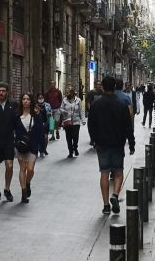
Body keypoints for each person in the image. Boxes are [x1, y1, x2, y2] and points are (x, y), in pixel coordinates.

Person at [88, 76, 135, 215]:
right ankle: (115, 195)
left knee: (104, 173)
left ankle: (106, 205)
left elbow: (91, 125)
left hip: (102, 144)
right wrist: (131, 144)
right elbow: (128, 127)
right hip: (117, 143)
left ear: (103, 86)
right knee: (118, 173)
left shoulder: (96, 104)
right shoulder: (121, 105)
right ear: (114, 87)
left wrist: (95, 140)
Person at [14, 93, 46, 203]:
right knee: (22, 169)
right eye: (23, 99)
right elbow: (14, 130)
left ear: (31, 101)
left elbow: (41, 130)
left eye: (28, 99)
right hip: (21, 146)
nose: (25, 101)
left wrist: (42, 146)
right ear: (21, 101)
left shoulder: (36, 115)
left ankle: (27, 183)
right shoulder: (17, 115)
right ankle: (23, 193)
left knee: (30, 169)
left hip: (32, 145)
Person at [61, 88, 85, 158]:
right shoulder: (64, 100)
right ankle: (70, 151)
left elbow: (81, 110)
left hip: (76, 121)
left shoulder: (78, 100)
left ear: (72, 94)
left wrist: (83, 120)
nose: (67, 94)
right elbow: (61, 108)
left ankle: (75, 147)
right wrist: (63, 111)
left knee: (75, 135)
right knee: (68, 137)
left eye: (69, 93)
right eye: (67, 93)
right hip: (67, 121)